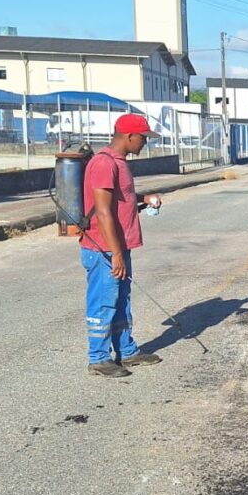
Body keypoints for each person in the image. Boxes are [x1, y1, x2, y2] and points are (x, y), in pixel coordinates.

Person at [79, 114, 164, 378]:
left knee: (121, 301)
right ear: (129, 137)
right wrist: (115, 253)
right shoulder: (104, 164)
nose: (144, 144)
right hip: (103, 249)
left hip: (117, 246)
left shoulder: (119, 163)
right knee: (103, 303)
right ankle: (99, 358)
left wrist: (144, 197)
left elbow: (121, 198)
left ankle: (126, 351)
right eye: (143, 138)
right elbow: (103, 211)